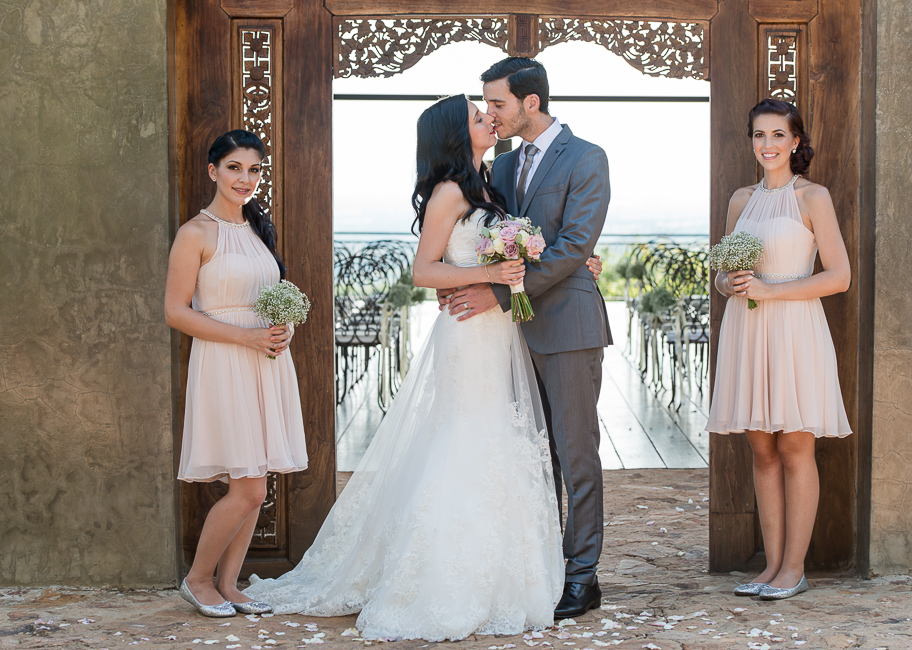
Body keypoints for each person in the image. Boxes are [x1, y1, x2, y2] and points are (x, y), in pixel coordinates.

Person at [245, 95, 604, 641]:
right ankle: (445, 578)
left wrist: (559, 261)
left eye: (491, 110)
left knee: (504, 445)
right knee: (468, 439)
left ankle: (512, 575)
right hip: (467, 335)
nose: (489, 118)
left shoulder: (490, 182)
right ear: (455, 135)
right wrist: (477, 280)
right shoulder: (451, 191)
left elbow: (533, 245)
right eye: (477, 116)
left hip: (503, 332)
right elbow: (423, 270)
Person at [440, 57, 612, 619]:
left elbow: (571, 246)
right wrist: (461, 277)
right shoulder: (503, 168)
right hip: (507, 339)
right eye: (485, 105)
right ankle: (540, 567)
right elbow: (486, 235)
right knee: (531, 457)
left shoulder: (587, 158)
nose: (490, 114)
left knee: (575, 453)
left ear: (530, 103)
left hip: (568, 328)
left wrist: (495, 293)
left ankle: (582, 576)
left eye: (497, 103)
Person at [706, 98, 853, 600]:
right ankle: (770, 567)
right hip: (747, 330)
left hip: (793, 327)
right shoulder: (739, 200)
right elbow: (724, 272)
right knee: (761, 448)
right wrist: (730, 284)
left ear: (795, 142)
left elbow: (839, 277)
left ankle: (795, 569)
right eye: (758, 135)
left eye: (776, 135)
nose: (766, 145)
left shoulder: (814, 197)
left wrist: (772, 291)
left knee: (794, 446)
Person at [165, 130, 307, 617]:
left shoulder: (256, 230)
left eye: (253, 170)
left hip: (264, 362)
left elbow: (268, 298)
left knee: (256, 482)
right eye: (234, 168)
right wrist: (243, 337)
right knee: (248, 486)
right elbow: (175, 312)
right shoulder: (195, 234)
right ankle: (198, 579)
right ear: (213, 171)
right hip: (225, 361)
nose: (244, 179)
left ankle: (229, 583)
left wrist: (282, 327)